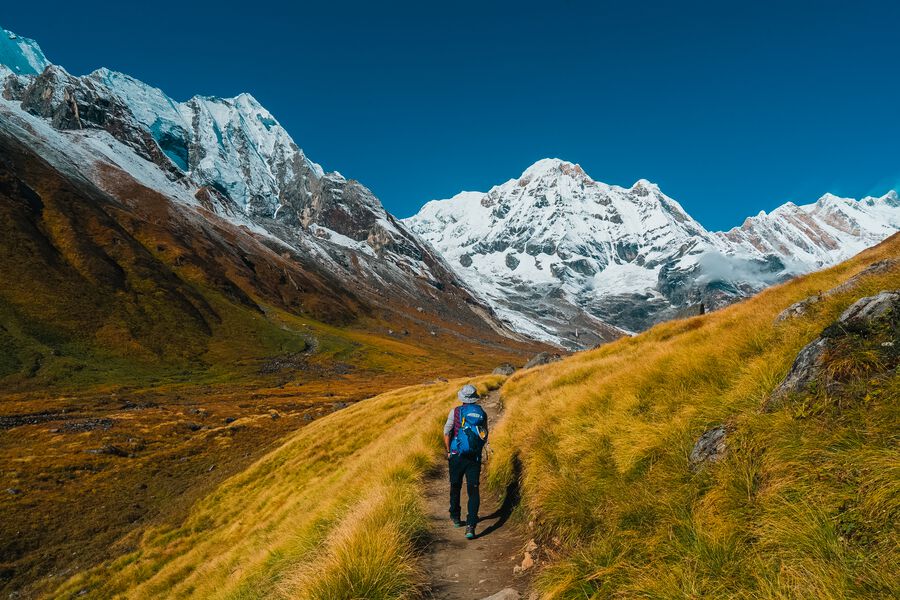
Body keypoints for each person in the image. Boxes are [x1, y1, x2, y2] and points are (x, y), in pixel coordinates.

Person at [443, 384, 489, 539]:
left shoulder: (455, 412)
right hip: (474, 458)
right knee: (473, 490)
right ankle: (470, 525)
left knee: (455, 485)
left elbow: (446, 432)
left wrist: (449, 451)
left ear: (462, 397)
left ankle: (456, 517)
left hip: (457, 455)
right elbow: (484, 435)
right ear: (475, 398)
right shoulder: (481, 413)